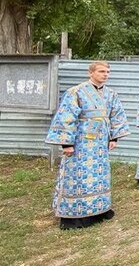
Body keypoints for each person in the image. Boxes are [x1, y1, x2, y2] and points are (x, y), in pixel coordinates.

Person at [45, 61, 130, 230]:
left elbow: (117, 115)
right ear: (90, 72)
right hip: (80, 144)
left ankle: (99, 210)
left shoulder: (111, 94)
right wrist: (67, 143)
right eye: (101, 71)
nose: (105, 74)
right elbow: (66, 117)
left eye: (107, 71)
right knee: (77, 177)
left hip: (100, 145)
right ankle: (75, 216)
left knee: (100, 177)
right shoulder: (75, 92)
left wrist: (114, 138)